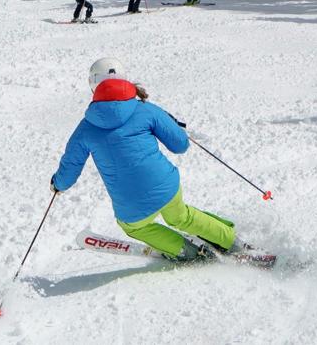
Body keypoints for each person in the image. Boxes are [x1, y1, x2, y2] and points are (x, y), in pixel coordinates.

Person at [50, 58, 251, 261]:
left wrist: (57, 184)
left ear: (93, 85)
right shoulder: (146, 109)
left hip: (130, 204)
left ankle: (188, 252)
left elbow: (70, 169)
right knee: (181, 217)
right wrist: (173, 125)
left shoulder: (85, 127)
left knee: (134, 227)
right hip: (166, 186)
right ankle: (233, 242)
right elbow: (180, 145)